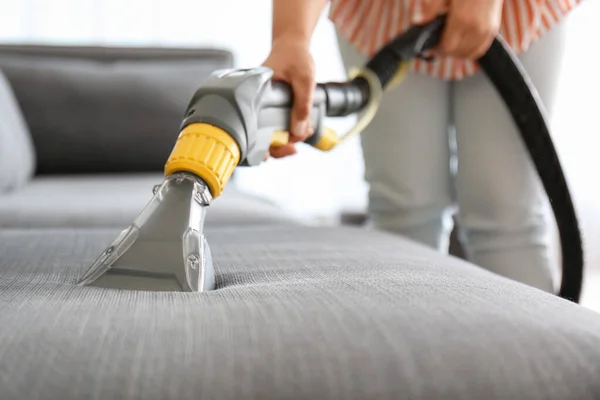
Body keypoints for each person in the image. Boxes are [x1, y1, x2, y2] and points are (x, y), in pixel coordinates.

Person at [261, 0, 580, 293]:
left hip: (513, 12)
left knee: (506, 213)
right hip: (384, 14)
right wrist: (291, 37)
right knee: (403, 211)